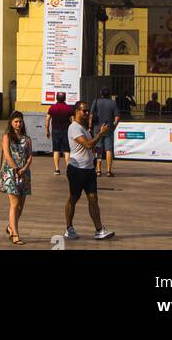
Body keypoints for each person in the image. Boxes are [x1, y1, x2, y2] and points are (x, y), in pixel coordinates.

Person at [64, 103, 115, 241]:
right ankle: (69, 228)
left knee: (93, 199)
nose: (87, 113)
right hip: (76, 169)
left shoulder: (84, 128)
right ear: (76, 112)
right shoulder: (74, 127)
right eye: (84, 111)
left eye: (88, 111)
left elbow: (88, 147)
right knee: (73, 199)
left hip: (89, 169)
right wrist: (100, 134)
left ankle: (99, 230)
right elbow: (87, 144)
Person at [0, 110, 32, 245]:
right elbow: (7, 155)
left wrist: (24, 169)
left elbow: (30, 156)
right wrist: (17, 169)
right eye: (16, 122)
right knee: (15, 203)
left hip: (25, 173)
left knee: (21, 206)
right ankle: (15, 234)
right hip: (11, 173)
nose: (18, 124)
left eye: (20, 121)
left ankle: (10, 227)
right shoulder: (7, 137)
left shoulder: (27, 138)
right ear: (11, 123)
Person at [89, 86, 119, 178]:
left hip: (97, 129)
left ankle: (98, 170)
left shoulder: (96, 101)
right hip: (108, 128)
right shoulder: (113, 103)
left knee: (98, 149)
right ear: (109, 94)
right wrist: (113, 126)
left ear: (101, 94)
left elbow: (90, 115)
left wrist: (90, 127)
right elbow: (117, 118)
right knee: (108, 150)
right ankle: (109, 171)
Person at [46, 91, 73, 173]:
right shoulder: (69, 108)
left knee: (56, 150)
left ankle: (57, 169)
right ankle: (68, 169)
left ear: (56, 98)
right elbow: (73, 120)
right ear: (64, 98)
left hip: (55, 130)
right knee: (67, 150)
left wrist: (47, 130)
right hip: (66, 131)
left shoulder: (52, 108)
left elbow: (47, 119)